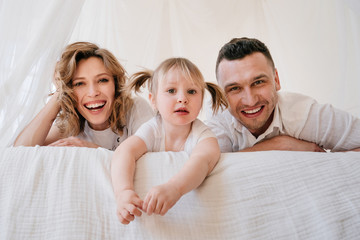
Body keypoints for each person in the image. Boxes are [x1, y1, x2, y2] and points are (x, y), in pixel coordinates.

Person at [111, 57, 228, 224]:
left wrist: (174, 188)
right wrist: (123, 192)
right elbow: (125, 151)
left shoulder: (204, 136)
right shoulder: (152, 129)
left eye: (192, 91)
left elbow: (202, 162)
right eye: (171, 91)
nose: (182, 98)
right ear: (153, 100)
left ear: (201, 101)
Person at [206, 37, 360, 152]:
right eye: (234, 88)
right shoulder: (217, 123)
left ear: (276, 80)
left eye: (258, 82)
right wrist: (279, 145)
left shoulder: (302, 113)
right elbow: (209, 167)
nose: (250, 100)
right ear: (222, 94)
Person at [14, 42, 154, 150]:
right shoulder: (70, 123)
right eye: (79, 84)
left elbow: (148, 159)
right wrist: (59, 93)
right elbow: (20, 151)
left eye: (102, 80)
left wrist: (91, 149)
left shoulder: (135, 108)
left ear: (115, 84)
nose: (93, 92)